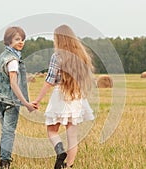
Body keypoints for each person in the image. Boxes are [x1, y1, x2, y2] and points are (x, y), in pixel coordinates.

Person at [33, 25, 95, 169]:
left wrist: (37, 100)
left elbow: (50, 80)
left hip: (60, 95)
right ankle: (68, 166)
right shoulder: (82, 55)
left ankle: (60, 151)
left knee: (52, 130)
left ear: (59, 39)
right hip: (76, 95)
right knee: (72, 137)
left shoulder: (57, 56)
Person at [0, 26, 36, 169]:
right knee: (9, 132)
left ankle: (4, 159)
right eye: (17, 39)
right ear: (9, 40)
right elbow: (14, 84)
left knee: (5, 131)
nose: (21, 42)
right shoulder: (13, 60)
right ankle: (5, 163)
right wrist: (26, 103)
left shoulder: (2, 56)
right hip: (10, 101)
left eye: (22, 39)